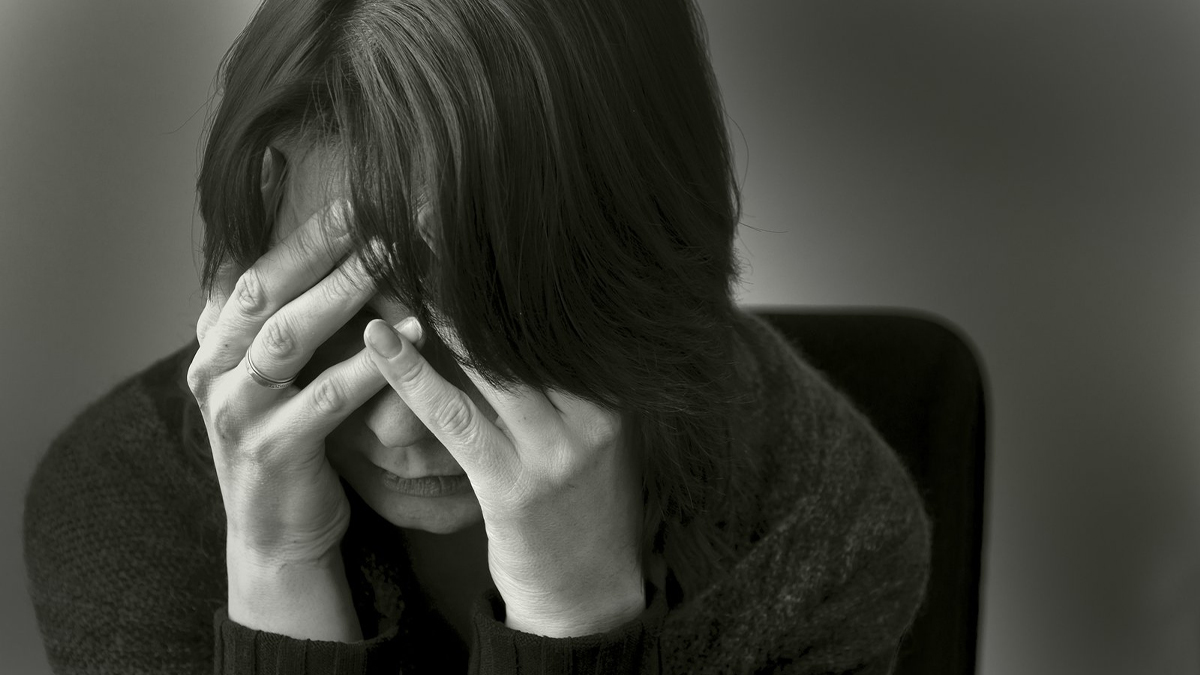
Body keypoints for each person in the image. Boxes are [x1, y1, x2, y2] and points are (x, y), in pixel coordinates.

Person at [23, 0, 931, 673]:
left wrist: (573, 617)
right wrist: (278, 570)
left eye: (490, 325)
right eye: (341, 321)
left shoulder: (816, 522)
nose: (401, 423)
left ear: (643, 269)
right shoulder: (129, 501)